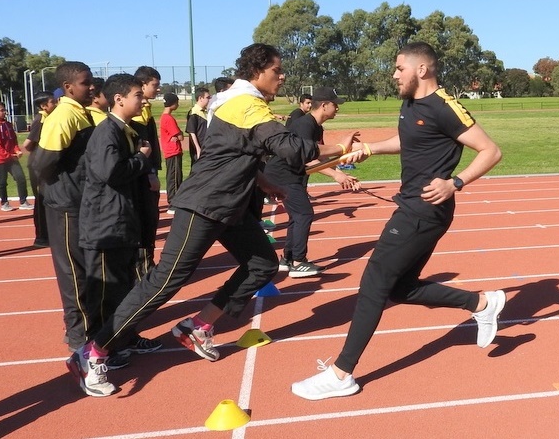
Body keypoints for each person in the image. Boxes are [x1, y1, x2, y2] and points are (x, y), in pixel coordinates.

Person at [66, 43, 359, 398]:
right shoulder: (244, 102)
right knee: (165, 281)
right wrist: (341, 148)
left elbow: (235, 150)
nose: (282, 77)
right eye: (277, 71)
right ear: (258, 71)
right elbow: (291, 149)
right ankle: (93, 351)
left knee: (262, 265)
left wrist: (265, 183)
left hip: (230, 205)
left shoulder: (242, 102)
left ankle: (198, 326)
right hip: (205, 203)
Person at [292, 42, 505, 400]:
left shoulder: (445, 107)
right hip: (412, 207)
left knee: (373, 283)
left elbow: (491, 150)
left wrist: (455, 182)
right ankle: (482, 304)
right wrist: (371, 148)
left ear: (421, 70)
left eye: (398, 68)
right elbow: (408, 141)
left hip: (423, 210)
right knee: (398, 288)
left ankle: (342, 373)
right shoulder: (411, 104)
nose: (394, 75)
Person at [79, 73, 161, 368]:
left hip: (122, 222)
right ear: (119, 98)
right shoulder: (107, 132)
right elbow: (110, 172)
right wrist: (142, 159)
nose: (144, 100)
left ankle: (123, 337)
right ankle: (95, 351)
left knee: (124, 288)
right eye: (139, 95)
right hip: (105, 227)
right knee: (104, 293)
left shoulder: (126, 130)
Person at [29, 62, 95, 352]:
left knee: (85, 268)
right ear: (68, 87)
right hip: (66, 205)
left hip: (80, 202)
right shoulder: (63, 116)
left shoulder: (80, 113)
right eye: (85, 82)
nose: (91, 86)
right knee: (73, 271)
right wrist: (60, 189)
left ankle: (86, 327)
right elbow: (41, 163)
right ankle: (78, 337)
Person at [265, 86, 360, 277]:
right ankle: (299, 262)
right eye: (335, 105)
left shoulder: (316, 127)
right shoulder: (304, 125)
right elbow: (307, 158)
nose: (338, 108)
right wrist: (336, 176)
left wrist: (341, 168)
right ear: (324, 105)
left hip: (292, 174)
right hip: (283, 174)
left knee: (297, 215)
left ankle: (288, 259)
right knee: (304, 214)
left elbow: (320, 154)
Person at [131, 66, 162, 276]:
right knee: (145, 218)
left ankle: (147, 263)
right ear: (142, 85)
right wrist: (149, 171)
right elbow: (142, 145)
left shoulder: (146, 109)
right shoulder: (137, 114)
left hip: (148, 170)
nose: (157, 89)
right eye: (154, 85)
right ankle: (143, 267)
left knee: (151, 218)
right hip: (143, 173)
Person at [22, 91, 58, 246]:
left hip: (43, 163)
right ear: (44, 106)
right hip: (38, 165)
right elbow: (27, 144)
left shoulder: (50, 118)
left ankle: (48, 234)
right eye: (52, 102)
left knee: (47, 199)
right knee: (41, 200)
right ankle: (41, 236)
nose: (55, 104)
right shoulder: (40, 119)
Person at [0, 102, 32, 212]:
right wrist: (8, 155)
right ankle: (4, 203)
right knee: (2, 181)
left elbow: (13, 140)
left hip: (12, 158)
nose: (4, 112)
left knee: (21, 178)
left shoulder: (8, 124)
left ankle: (23, 202)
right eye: (1, 110)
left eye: (4, 110)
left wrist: (17, 150)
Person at [160, 92, 183, 212]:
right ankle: (173, 203)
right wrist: (179, 134)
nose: (178, 105)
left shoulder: (165, 117)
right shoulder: (168, 118)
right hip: (172, 151)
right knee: (174, 178)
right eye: (177, 102)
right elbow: (180, 136)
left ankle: (174, 201)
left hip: (172, 151)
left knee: (175, 176)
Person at [186, 86, 211, 166]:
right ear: (200, 98)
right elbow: (191, 132)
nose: (209, 99)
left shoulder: (207, 112)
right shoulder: (193, 113)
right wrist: (198, 149)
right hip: (199, 150)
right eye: (207, 97)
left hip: (207, 148)